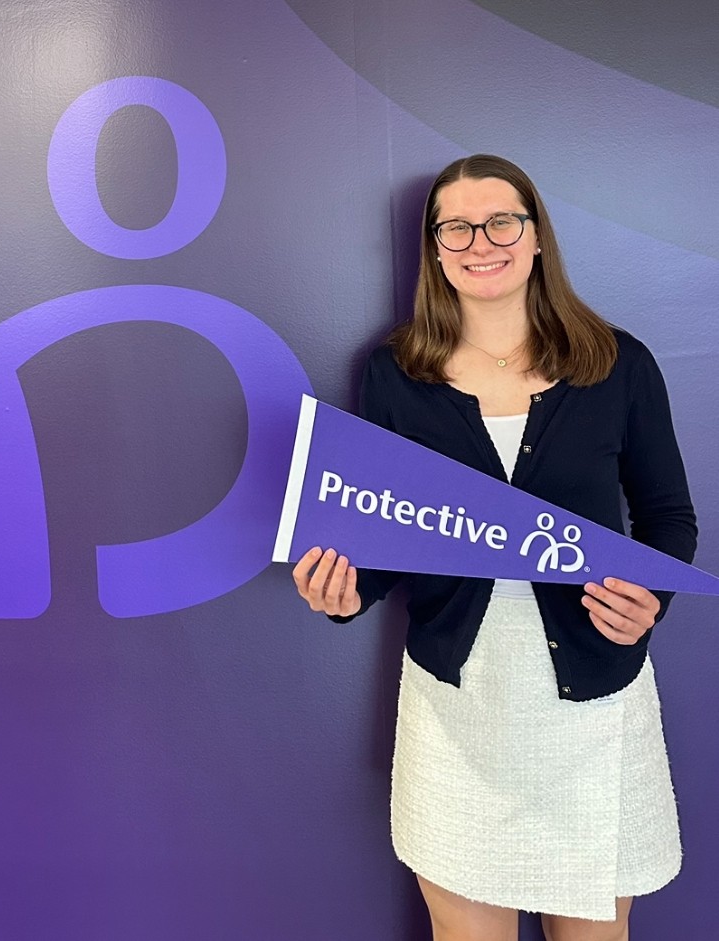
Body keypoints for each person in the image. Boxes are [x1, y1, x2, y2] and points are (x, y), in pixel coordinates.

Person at [292, 154, 696, 941]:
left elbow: (667, 516)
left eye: (501, 220)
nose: (481, 241)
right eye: (456, 227)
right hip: (457, 707)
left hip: (594, 706)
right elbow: (386, 537)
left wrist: (651, 601)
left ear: (536, 236)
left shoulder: (618, 365)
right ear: (434, 249)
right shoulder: (394, 375)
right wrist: (343, 590)